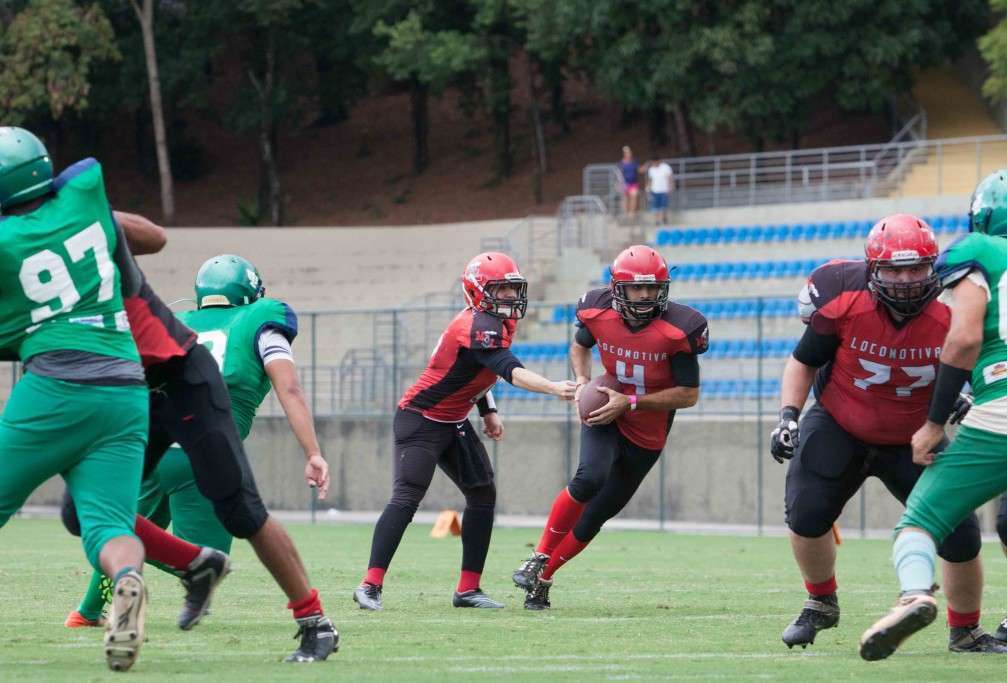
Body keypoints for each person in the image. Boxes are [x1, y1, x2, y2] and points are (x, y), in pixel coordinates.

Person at [60, 212, 338, 662]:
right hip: (201, 448)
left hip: (148, 438)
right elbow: (289, 387)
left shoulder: (175, 319)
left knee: (113, 522)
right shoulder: (263, 319)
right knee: (222, 543)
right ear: (250, 292)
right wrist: (313, 452)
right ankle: (308, 617)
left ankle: (88, 610)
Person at [770, 213, 1007, 654]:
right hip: (841, 421)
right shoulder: (843, 297)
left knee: (960, 535)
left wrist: (964, 396)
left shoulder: (953, 307)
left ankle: (966, 631)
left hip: (918, 433)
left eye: (916, 268)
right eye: (894, 269)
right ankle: (821, 602)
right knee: (805, 512)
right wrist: (788, 415)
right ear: (872, 268)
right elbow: (804, 360)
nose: (904, 279)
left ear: (933, 265)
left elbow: (980, 366)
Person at [0, 127, 149, 671]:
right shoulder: (86, 188)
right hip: (126, 389)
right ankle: (128, 581)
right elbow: (130, 278)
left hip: (56, 386)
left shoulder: (6, 244)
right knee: (110, 527)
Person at [352, 252, 576, 611]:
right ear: (477, 291)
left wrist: (488, 410)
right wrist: (553, 387)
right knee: (407, 497)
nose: (508, 296)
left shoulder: (495, 323)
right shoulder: (476, 326)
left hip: (454, 419)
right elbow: (508, 370)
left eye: (511, 288)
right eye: (500, 289)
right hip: (421, 418)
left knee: (482, 493)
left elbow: (473, 371)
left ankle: (468, 589)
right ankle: (370, 585)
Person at [860, 170, 1007, 660]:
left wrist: (934, 422)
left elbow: (966, 337)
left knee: (920, 521)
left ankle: (915, 594)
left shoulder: (977, 250)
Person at [512, 245, 708, 610]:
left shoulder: (682, 327)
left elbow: (688, 395)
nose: (647, 295)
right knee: (589, 478)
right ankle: (538, 555)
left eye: (653, 287)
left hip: (647, 429)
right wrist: (583, 380)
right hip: (605, 407)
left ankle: (543, 579)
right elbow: (579, 345)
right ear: (618, 287)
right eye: (638, 288)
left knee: (596, 516)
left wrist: (632, 402)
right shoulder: (595, 308)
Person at [646, 157, 673, 225]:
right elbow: (650, 180)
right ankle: (657, 221)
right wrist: (648, 189)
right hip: (655, 190)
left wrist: (670, 188)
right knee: (655, 207)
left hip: (664, 190)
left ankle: (664, 218)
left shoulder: (666, 167)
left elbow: (669, 178)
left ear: (658, 161)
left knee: (664, 206)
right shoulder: (651, 169)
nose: (654, 164)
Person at [618, 146, 641, 220]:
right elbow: (619, 174)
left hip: (633, 183)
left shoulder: (634, 162)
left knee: (634, 196)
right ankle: (626, 213)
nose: (629, 154)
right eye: (627, 153)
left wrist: (646, 166)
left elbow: (639, 170)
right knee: (625, 199)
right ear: (624, 154)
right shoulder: (621, 163)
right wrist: (619, 184)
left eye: (629, 153)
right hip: (625, 184)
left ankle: (632, 214)